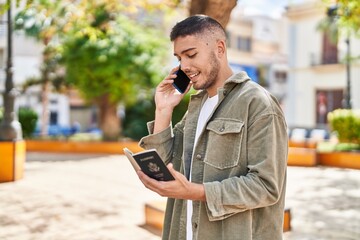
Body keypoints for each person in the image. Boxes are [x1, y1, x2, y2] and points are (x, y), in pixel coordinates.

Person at [137, 15, 288, 240]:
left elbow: (266, 187)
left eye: (191, 54)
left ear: (219, 48)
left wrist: (195, 192)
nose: (184, 66)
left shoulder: (258, 103)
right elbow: (168, 163)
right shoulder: (196, 106)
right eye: (179, 58)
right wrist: (163, 110)